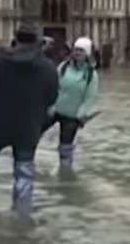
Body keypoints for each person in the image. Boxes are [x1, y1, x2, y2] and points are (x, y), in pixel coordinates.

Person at [0, 24, 59, 217]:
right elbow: (52, 97)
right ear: (37, 43)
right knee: (24, 171)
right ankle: (22, 217)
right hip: (28, 128)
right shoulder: (48, 67)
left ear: (16, 40)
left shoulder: (1, 62)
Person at [42, 36, 100, 172]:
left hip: (73, 115)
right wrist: (50, 104)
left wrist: (81, 114)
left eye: (81, 51)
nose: (77, 53)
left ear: (87, 54)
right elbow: (54, 86)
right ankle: (25, 158)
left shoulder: (91, 75)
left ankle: (65, 171)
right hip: (55, 110)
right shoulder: (63, 67)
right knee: (34, 131)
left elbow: (90, 97)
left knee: (66, 145)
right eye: (75, 50)